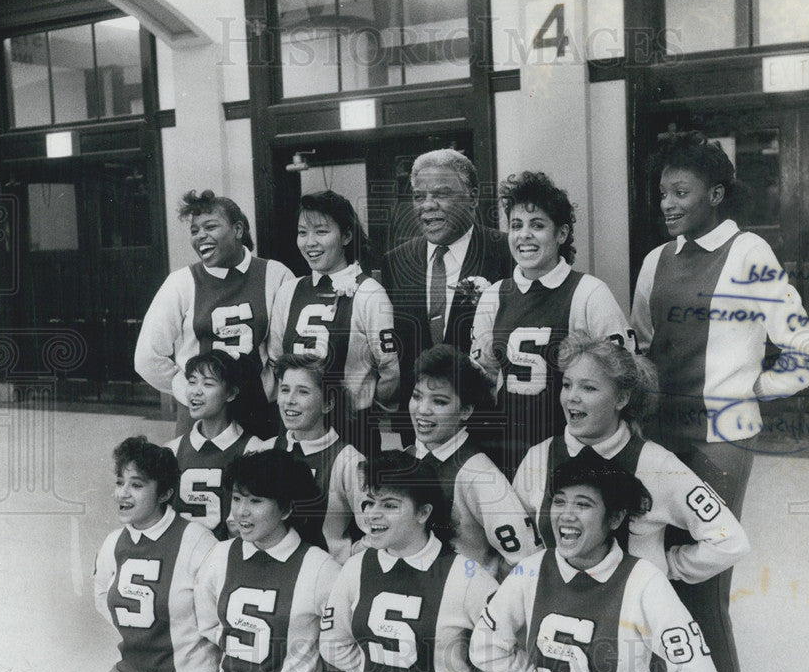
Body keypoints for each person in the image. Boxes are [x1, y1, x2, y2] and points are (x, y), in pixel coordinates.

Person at [630, 130, 809, 672]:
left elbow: (807, 355)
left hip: (721, 439)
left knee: (706, 577)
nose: (667, 203)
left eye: (680, 191)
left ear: (716, 193)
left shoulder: (750, 254)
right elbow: (642, 346)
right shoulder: (654, 260)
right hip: (660, 435)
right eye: (662, 192)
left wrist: (746, 388)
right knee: (653, 568)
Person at [469, 451, 721, 672]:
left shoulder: (645, 582)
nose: (566, 515)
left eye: (583, 504)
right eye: (559, 501)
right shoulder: (530, 570)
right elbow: (484, 647)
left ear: (614, 519)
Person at [513, 331, 750, 578]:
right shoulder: (539, 457)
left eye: (588, 388)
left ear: (621, 398)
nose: (572, 397)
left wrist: (664, 566)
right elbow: (521, 540)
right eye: (567, 385)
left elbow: (730, 541)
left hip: (629, 614)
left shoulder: (658, 465)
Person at [319, 451, 504, 672]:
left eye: (390, 505)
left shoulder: (467, 576)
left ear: (423, 512)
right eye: (369, 503)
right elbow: (333, 645)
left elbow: (512, 655)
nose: (373, 514)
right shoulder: (355, 568)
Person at [470, 171, 634, 477]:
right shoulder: (493, 295)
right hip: (508, 449)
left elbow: (623, 377)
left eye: (538, 225)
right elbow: (485, 381)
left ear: (561, 233)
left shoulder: (589, 292)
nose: (524, 235)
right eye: (516, 226)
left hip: (572, 450)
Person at [63, 437, 218, 672]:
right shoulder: (113, 543)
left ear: (165, 493)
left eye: (137, 485)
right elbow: (103, 600)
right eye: (120, 482)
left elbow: (219, 617)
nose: (123, 494)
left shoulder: (197, 541)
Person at [188, 449, 340, 672]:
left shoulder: (320, 569)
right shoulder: (220, 555)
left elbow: (340, 643)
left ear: (286, 509)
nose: (242, 512)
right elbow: (209, 624)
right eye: (236, 499)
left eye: (255, 501)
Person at [135, 189, 294, 439]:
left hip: (261, 412)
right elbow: (147, 356)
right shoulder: (181, 282)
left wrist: (269, 388)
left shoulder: (275, 274)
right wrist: (189, 389)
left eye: (210, 226)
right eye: (195, 230)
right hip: (202, 418)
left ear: (238, 230)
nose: (201, 236)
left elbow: (284, 350)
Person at [380, 148, 513, 434]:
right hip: (418, 428)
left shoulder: (507, 253)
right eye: (419, 196)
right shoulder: (396, 261)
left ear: (474, 197)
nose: (427, 205)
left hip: (488, 427)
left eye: (441, 194)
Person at [270, 190, 399, 455]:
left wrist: (361, 407)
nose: (310, 242)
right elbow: (276, 360)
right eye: (302, 232)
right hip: (295, 433)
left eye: (321, 231)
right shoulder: (289, 291)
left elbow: (389, 370)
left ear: (347, 236)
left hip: (351, 433)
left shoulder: (369, 292)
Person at [408, 344, 540, 577]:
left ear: (465, 411)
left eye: (439, 402)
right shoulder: (408, 456)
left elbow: (526, 559)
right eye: (417, 396)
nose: (423, 410)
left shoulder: (479, 475)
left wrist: (482, 592)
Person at [252, 353, 367, 565]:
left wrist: (345, 557)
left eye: (303, 392)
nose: (289, 400)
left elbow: (377, 530)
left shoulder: (349, 461)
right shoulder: (264, 449)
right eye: (285, 390)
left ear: (327, 404)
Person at [164, 350, 264, 539]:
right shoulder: (171, 450)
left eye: (208, 384)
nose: (196, 391)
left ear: (231, 393)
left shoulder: (254, 450)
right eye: (192, 382)